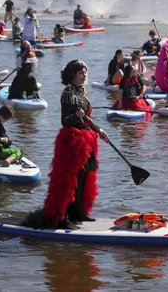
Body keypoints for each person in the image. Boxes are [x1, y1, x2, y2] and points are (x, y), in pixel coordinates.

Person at [23, 60, 108, 230]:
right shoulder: (68, 93)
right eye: (80, 73)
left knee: (83, 178)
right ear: (72, 75)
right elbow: (65, 121)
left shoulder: (81, 92)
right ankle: (63, 216)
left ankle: (78, 212)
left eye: (85, 72)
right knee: (70, 180)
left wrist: (99, 130)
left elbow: (86, 118)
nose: (84, 75)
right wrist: (77, 116)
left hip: (87, 139)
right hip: (73, 140)